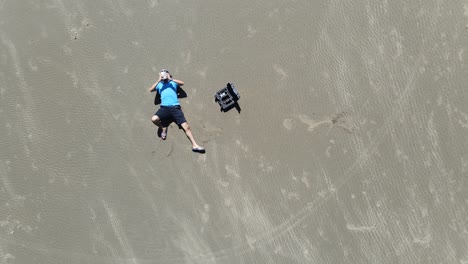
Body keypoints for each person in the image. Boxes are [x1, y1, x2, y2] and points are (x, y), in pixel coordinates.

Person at [148, 69, 205, 153]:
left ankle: (194, 145)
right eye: (162, 74)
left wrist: (170, 79)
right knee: (154, 119)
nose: (164, 75)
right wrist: (159, 79)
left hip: (175, 108)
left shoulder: (173, 83)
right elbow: (151, 89)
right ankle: (163, 127)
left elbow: (182, 83)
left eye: (165, 73)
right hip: (164, 108)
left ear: (169, 74)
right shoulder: (159, 84)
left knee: (186, 126)